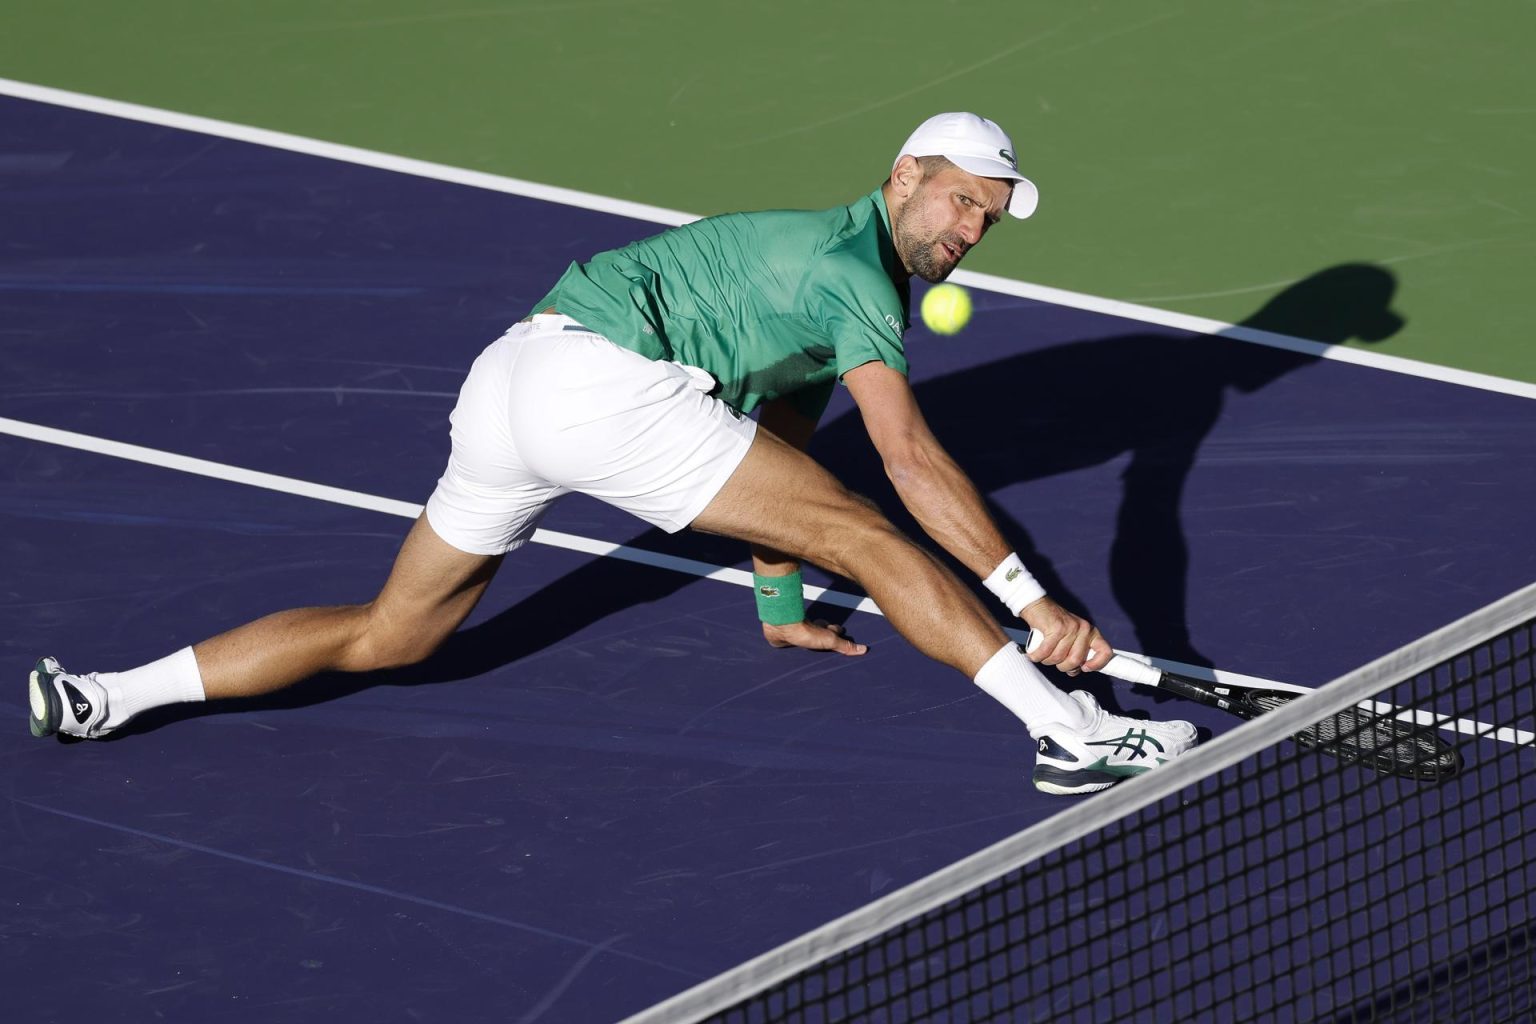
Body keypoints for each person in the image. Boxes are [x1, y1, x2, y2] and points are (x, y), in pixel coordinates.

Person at [28, 112, 1196, 795]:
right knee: (871, 533)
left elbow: (779, 427)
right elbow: (905, 458)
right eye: (957, 204)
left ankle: (104, 694)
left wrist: (778, 595)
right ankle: (1071, 732)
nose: (969, 232)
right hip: (601, 384)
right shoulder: (857, 284)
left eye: (987, 217)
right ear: (903, 177)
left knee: (398, 633)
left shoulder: (815, 260)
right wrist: (1027, 599)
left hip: (514, 379)